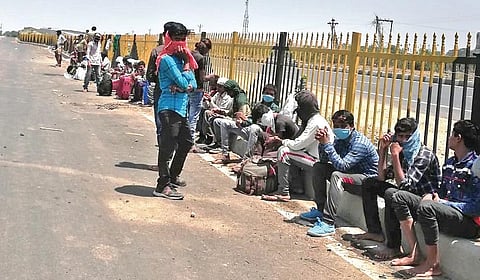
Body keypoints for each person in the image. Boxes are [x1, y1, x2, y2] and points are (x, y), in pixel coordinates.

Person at [390, 120, 480, 277]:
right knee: (399, 197)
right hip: (447, 213)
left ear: (458, 138)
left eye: (452, 134)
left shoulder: (474, 167)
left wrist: (442, 203)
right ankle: (415, 252)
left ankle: (433, 264)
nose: (449, 138)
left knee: (427, 207)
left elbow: (475, 208)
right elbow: (441, 192)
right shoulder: (451, 163)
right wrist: (432, 196)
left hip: (468, 222)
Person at [357, 117, 442, 261]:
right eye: (400, 136)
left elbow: (405, 185)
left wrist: (395, 155)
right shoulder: (404, 153)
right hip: (405, 196)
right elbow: (381, 177)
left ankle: (394, 246)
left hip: (423, 202)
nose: (403, 140)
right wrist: (383, 150)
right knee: (369, 183)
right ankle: (375, 231)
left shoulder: (423, 155)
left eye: (407, 137)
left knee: (392, 194)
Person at [298, 110, 379, 237]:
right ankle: (320, 209)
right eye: (336, 126)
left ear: (351, 127)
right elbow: (324, 160)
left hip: (365, 181)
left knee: (337, 176)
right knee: (318, 167)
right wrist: (322, 143)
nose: (339, 129)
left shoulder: (360, 143)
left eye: (343, 126)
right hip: (348, 175)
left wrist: (327, 145)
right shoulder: (339, 140)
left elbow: (343, 166)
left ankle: (328, 222)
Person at [261, 90, 334, 202]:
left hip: (319, 162)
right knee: (289, 150)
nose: (298, 114)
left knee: (284, 152)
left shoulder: (315, 123)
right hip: (312, 157)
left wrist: (280, 141)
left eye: (299, 110)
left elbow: (297, 145)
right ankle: (297, 187)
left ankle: (283, 192)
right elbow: (297, 141)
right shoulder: (311, 120)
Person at [153, 22, 198, 200]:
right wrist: (187, 66)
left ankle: (172, 177)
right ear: (168, 38)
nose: (180, 43)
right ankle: (162, 185)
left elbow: (193, 85)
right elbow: (182, 82)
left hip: (180, 109)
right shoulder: (166, 60)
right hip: (168, 108)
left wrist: (183, 85)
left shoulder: (181, 59)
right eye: (176, 39)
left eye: (182, 39)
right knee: (167, 148)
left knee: (186, 142)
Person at [188, 38, 213, 143]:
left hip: (186, 87)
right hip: (197, 89)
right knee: (193, 116)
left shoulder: (189, 54)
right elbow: (202, 78)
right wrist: (211, 77)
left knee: (185, 114)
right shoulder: (200, 58)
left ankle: (182, 139)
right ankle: (190, 141)